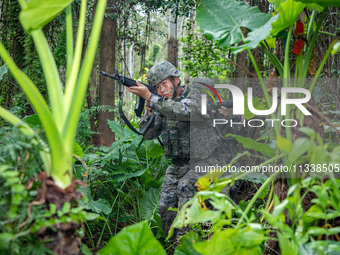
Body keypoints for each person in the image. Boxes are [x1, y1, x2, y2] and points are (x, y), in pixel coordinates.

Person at [127, 61, 238, 239]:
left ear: (176, 79)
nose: (162, 90)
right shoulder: (162, 103)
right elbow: (148, 134)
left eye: (165, 84)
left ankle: (189, 242)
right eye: (158, 87)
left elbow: (185, 111)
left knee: (185, 189)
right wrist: (149, 110)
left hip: (205, 162)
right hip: (177, 165)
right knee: (164, 206)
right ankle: (174, 245)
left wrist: (152, 97)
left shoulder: (193, 95)